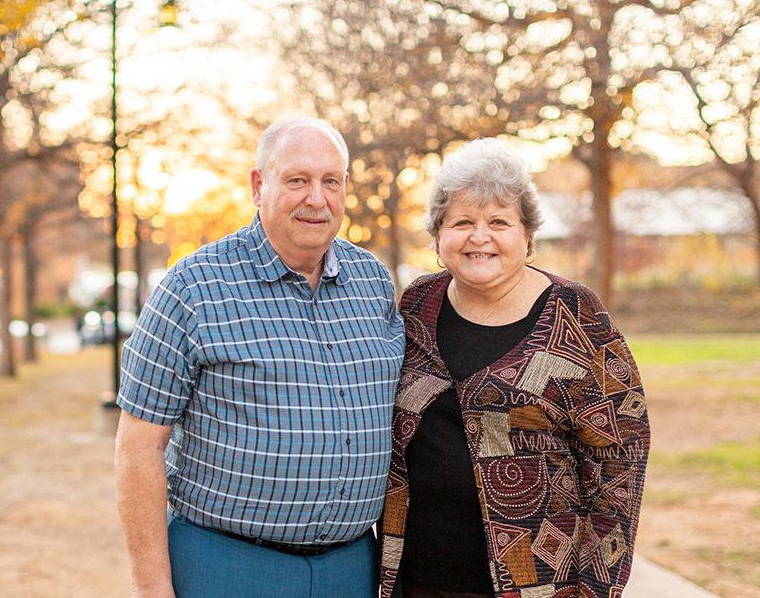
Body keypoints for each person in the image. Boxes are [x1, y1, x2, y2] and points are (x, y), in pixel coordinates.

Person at [115, 117, 405, 598]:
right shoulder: (193, 289)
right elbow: (138, 447)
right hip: (226, 566)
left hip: (353, 569)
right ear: (258, 185)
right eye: (297, 180)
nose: (317, 198)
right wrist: (151, 588)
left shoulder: (372, 283)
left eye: (330, 181)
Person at [379, 138, 650, 598]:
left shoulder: (575, 315)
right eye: (462, 222)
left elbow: (619, 461)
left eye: (498, 222)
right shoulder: (417, 305)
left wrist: (596, 588)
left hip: (538, 586)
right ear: (439, 237)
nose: (479, 237)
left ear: (526, 236)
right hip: (415, 579)